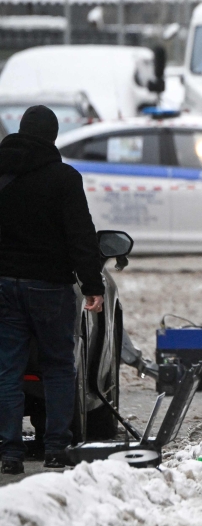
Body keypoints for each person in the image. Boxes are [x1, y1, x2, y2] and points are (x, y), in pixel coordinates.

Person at [0, 105, 105, 475]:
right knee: (59, 367)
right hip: (50, 288)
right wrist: (92, 284)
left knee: (7, 370)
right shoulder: (63, 178)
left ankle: (10, 451)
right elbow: (81, 235)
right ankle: (56, 447)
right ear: (53, 137)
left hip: (4, 288)